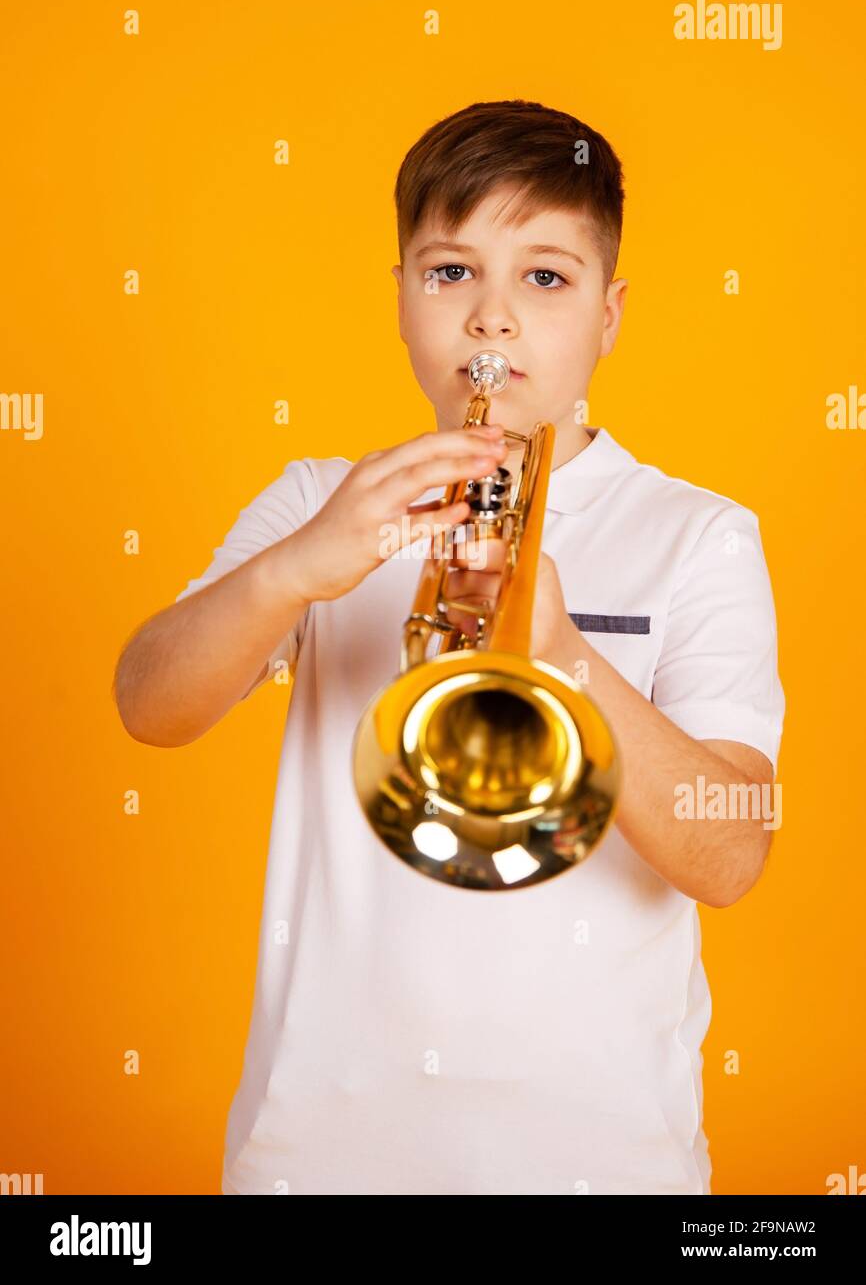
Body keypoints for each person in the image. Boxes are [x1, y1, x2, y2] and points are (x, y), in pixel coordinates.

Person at [113, 99, 785, 1195]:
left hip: (602, 1161)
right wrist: (299, 566)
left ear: (608, 316)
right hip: (318, 1156)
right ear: (399, 303)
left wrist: (561, 648)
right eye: (448, 273)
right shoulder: (317, 499)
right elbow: (149, 702)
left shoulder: (697, 534)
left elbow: (732, 854)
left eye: (544, 278)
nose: (490, 322)